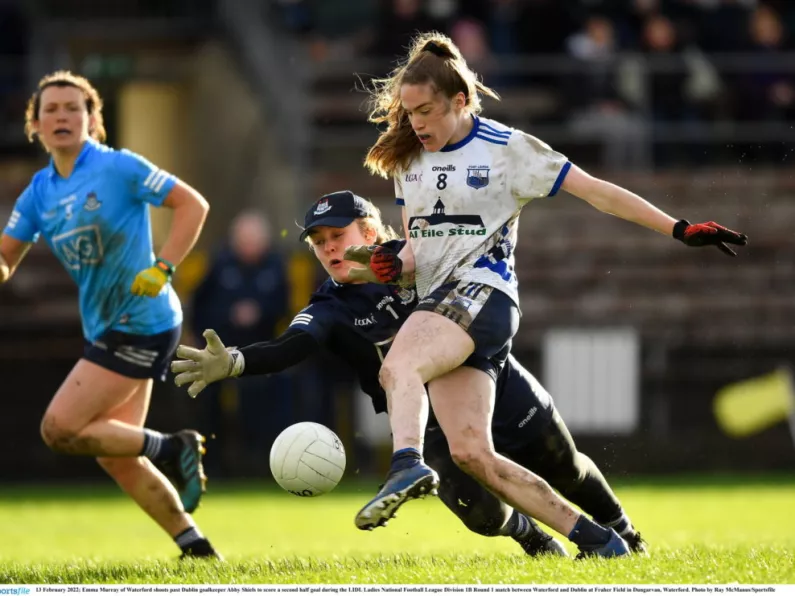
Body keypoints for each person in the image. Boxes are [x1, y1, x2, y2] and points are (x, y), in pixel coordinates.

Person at [345, 32, 747, 553]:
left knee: (398, 366)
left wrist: (677, 227)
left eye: (426, 111)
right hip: (442, 306)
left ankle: (405, 464)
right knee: (472, 455)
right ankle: (600, 541)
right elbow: (418, 255)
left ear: (460, 101)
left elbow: (597, 192)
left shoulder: (508, 149)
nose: (416, 123)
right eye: (409, 111)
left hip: (485, 296)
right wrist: (390, 262)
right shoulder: (408, 160)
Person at [171, 191, 647, 558]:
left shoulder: (420, 261)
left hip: (491, 378)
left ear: (371, 231)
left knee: (562, 462)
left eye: (338, 236)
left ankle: (624, 532)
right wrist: (235, 361)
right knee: (478, 512)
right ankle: (530, 536)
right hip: (426, 424)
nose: (329, 249)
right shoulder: (329, 306)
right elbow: (292, 345)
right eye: (319, 243)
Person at [0, 71, 220, 559]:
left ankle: (173, 446)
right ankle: (196, 548)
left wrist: (164, 267)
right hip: (107, 326)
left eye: (73, 108)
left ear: (93, 119)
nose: (61, 116)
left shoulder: (118, 167)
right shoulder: (39, 192)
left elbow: (192, 204)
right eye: (50, 109)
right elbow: (6, 259)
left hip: (143, 319)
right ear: (33, 124)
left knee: (58, 428)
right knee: (114, 452)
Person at [189, 210, 291, 476]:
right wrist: (226, 318)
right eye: (243, 241)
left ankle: (260, 463)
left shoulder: (275, 266)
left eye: (253, 241)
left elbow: (284, 306)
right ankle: (212, 465)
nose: (248, 247)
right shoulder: (219, 264)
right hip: (220, 349)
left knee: (262, 402)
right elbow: (199, 306)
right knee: (208, 401)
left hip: (259, 351)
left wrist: (259, 313)